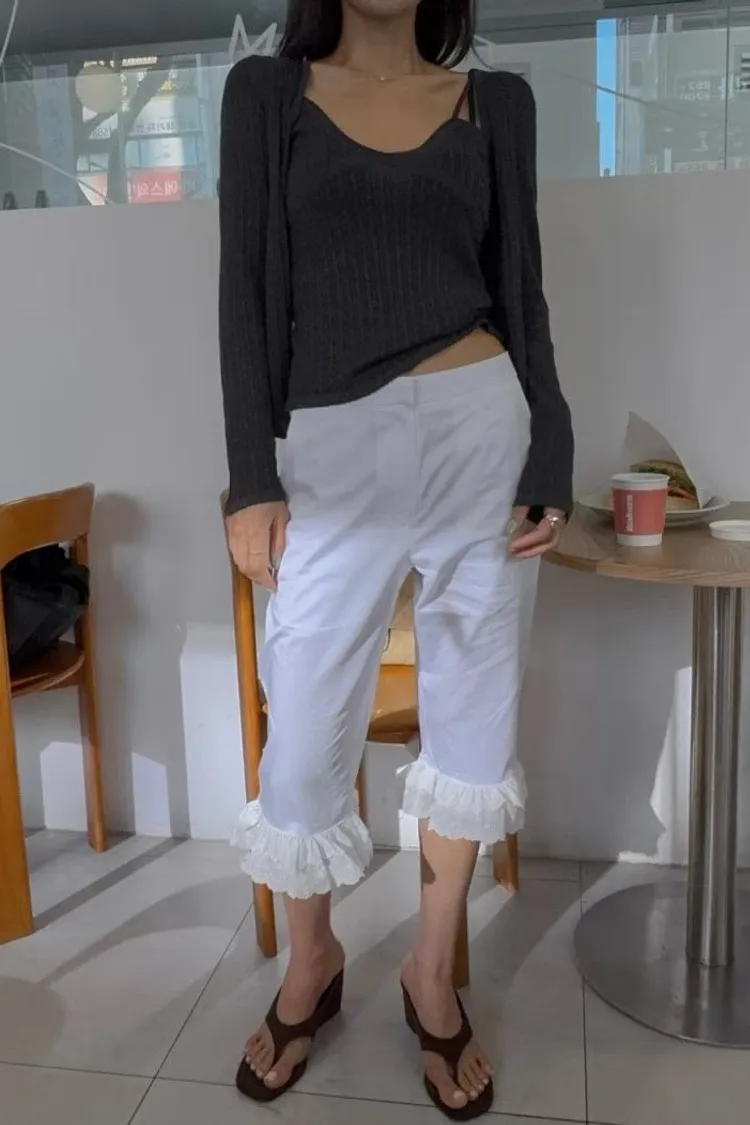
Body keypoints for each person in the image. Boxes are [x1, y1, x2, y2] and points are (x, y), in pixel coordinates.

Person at [219, 0, 573, 1118]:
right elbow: (244, 288)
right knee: (303, 729)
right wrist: (250, 477)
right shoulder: (268, 96)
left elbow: (523, 285)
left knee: (473, 717)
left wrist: (551, 447)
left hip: (483, 425)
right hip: (330, 445)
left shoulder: (495, 103)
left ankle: (430, 970)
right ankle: (313, 960)